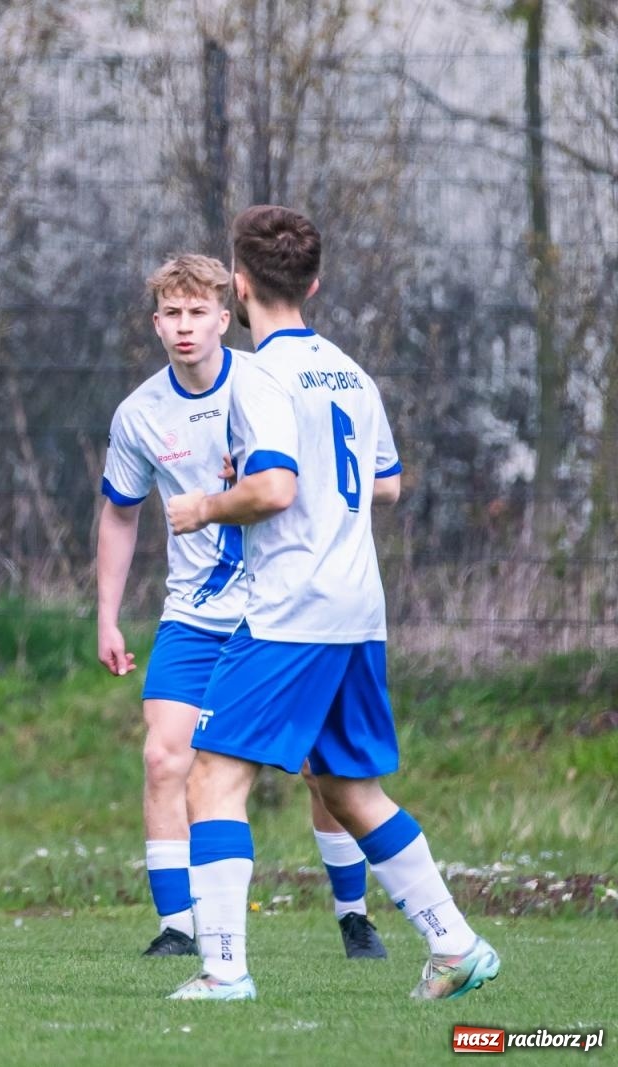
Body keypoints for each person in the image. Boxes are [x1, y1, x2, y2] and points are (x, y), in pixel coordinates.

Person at [163, 205, 500, 1001]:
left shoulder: (258, 375)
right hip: (356, 607)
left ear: (239, 286)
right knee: (348, 788)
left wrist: (207, 506)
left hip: (292, 606)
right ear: (312, 284)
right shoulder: (349, 371)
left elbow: (276, 489)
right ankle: (456, 944)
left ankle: (224, 969)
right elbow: (386, 482)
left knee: (212, 775)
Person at [97, 253, 387, 960]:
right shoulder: (140, 414)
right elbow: (119, 513)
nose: (185, 326)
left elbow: (349, 480)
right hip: (195, 616)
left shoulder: (266, 384)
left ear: (226, 316)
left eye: (199, 312)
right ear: (156, 323)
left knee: (325, 771)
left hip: (282, 609)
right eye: (172, 313)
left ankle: (354, 916)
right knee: (164, 756)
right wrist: (106, 615)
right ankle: (179, 926)